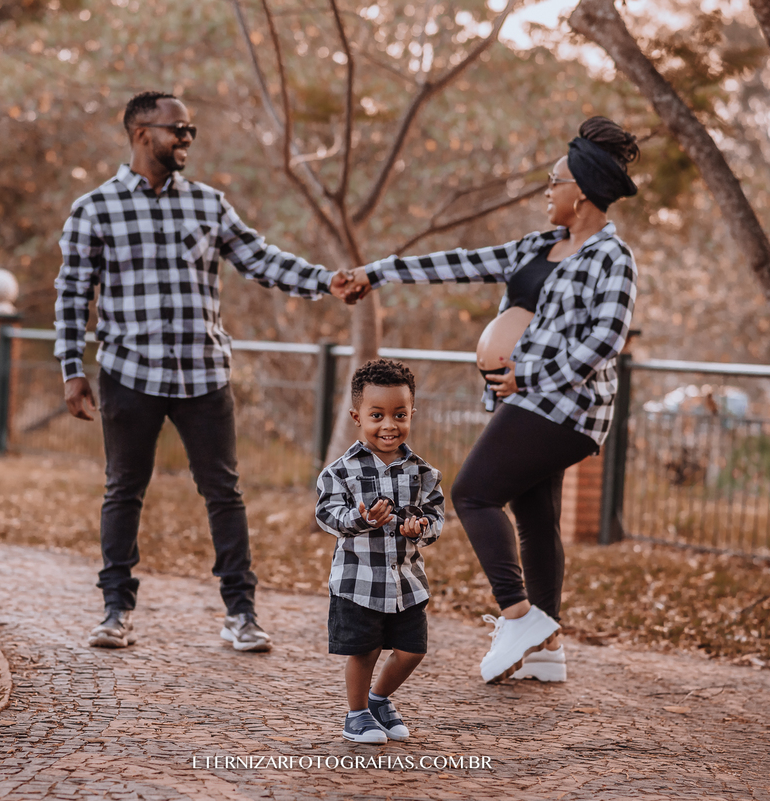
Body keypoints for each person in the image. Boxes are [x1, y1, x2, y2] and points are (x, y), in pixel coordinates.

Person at [55, 90, 358, 652]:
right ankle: (116, 610)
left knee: (223, 492)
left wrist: (325, 280)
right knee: (123, 490)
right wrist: (72, 369)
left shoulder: (209, 204)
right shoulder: (94, 209)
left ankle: (241, 613)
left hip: (203, 375)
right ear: (142, 134)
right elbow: (73, 294)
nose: (187, 138)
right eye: (178, 129)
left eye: (190, 129)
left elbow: (261, 259)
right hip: (129, 372)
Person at [345, 117, 639, 683]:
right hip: (525, 401)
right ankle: (547, 648)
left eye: (553, 181)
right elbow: (459, 263)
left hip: (566, 406)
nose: (546, 192)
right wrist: (377, 273)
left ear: (579, 191)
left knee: (473, 492)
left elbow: (606, 339)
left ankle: (519, 616)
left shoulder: (612, 257)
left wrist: (529, 374)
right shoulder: (536, 246)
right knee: (536, 516)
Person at [315, 359, 444, 743]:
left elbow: (436, 515)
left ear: (411, 414)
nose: (389, 425)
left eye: (399, 415)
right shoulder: (340, 471)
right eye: (377, 415)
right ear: (357, 417)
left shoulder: (423, 473)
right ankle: (356, 715)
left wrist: (420, 526)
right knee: (365, 651)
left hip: (406, 581)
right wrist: (361, 519)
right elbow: (327, 515)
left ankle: (378, 700)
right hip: (359, 580)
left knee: (412, 650)